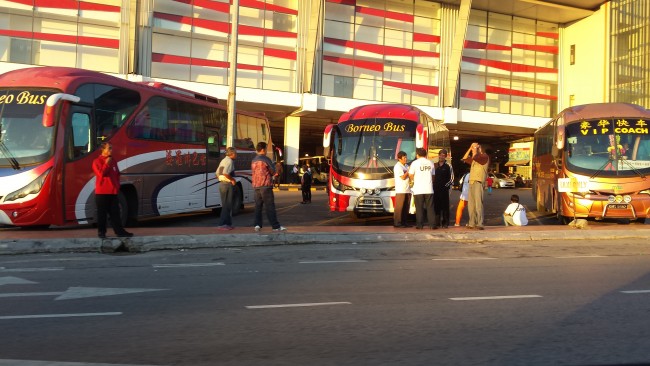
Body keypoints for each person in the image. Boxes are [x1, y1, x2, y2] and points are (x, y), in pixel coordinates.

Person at [92, 142, 133, 239]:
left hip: (113, 192)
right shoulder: (97, 161)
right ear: (103, 150)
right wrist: (106, 164)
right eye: (109, 148)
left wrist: (117, 186)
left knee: (116, 213)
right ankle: (101, 232)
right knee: (102, 214)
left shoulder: (113, 161)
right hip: (102, 193)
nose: (111, 150)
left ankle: (120, 231)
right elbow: (101, 174)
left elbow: (117, 174)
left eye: (111, 148)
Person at [251, 142, 287, 232]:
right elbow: (272, 171)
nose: (267, 151)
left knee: (258, 206)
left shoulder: (254, 160)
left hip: (256, 186)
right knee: (270, 206)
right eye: (266, 149)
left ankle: (257, 225)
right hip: (265, 185)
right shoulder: (266, 159)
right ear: (263, 149)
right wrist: (276, 173)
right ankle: (275, 226)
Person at [462, 142, 489, 230]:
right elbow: (465, 158)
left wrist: (476, 150)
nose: (473, 149)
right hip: (472, 182)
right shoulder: (475, 158)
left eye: (475, 148)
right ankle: (472, 223)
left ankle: (480, 223)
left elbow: (477, 157)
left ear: (480, 149)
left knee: (478, 203)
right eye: (473, 148)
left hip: (478, 181)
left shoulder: (484, 157)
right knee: (471, 204)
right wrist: (470, 148)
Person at [408, 147, 436, 230]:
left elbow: (411, 175)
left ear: (417, 155)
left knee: (419, 208)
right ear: (426, 154)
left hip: (418, 189)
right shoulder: (430, 163)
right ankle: (432, 225)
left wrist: (415, 179)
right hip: (429, 189)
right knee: (430, 208)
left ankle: (420, 225)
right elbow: (433, 176)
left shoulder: (414, 163)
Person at [216, 147, 237, 230]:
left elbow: (217, 173)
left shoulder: (223, 160)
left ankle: (227, 223)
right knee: (227, 205)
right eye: (235, 153)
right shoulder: (230, 161)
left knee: (225, 205)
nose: (236, 155)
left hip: (221, 184)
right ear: (232, 154)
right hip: (227, 185)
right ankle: (223, 224)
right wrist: (232, 179)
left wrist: (220, 178)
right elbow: (225, 173)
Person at [433, 149, 453, 228]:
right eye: (440, 155)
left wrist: (446, 186)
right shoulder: (434, 165)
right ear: (438, 155)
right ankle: (437, 223)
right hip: (435, 190)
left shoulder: (448, 166)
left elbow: (452, 178)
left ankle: (445, 223)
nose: (441, 156)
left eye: (443, 155)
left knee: (445, 207)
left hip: (444, 190)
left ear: (446, 156)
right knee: (436, 207)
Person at [393, 151, 411, 228]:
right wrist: (408, 171)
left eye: (406, 157)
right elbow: (403, 177)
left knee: (406, 207)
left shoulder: (406, 165)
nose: (406, 159)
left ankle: (404, 222)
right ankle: (397, 223)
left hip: (408, 189)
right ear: (399, 158)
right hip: (401, 190)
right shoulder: (398, 166)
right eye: (404, 157)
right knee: (399, 208)